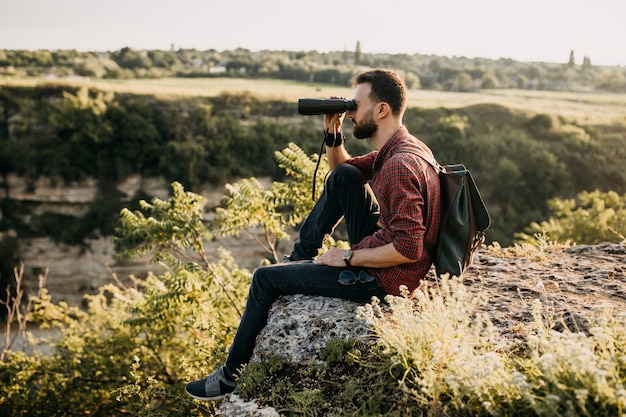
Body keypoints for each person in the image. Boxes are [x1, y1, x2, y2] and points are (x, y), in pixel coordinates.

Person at [185, 68, 441, 401]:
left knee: (265, 279)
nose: (350, 111)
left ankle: (230, 377)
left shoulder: (398, 165)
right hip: (383, 246)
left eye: (356, 104)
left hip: (386, 280)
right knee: (347, 176)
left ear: (381, 110)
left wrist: (346, 257)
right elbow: (341, 171)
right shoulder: (398, 149)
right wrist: (333, 133)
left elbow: (409, 248)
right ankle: (300, 257)